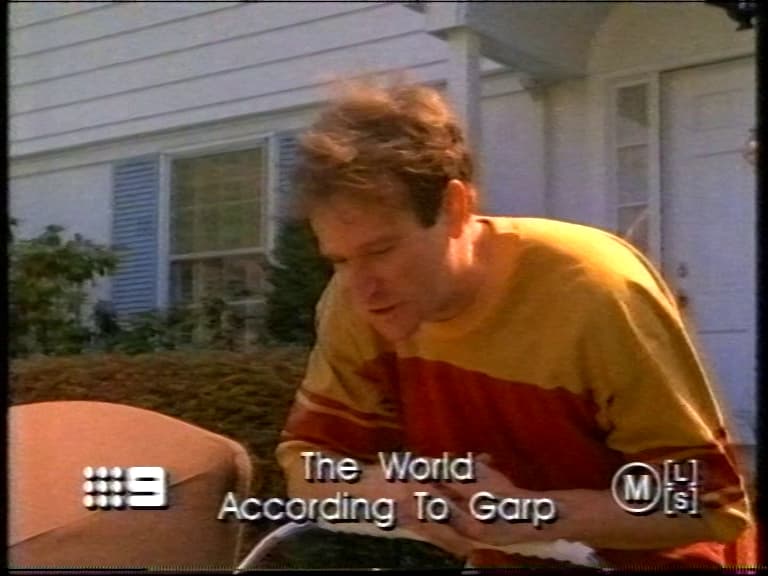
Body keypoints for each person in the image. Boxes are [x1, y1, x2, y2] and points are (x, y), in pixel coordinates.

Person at [274, 81, 751, 569]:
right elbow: (305, 465)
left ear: (455, 208)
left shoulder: (594, 290)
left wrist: (538, 514)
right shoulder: (354, 300)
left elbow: (708, 503)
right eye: (338, 260)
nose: (361, 289)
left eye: (381, 250)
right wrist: (373, 488)